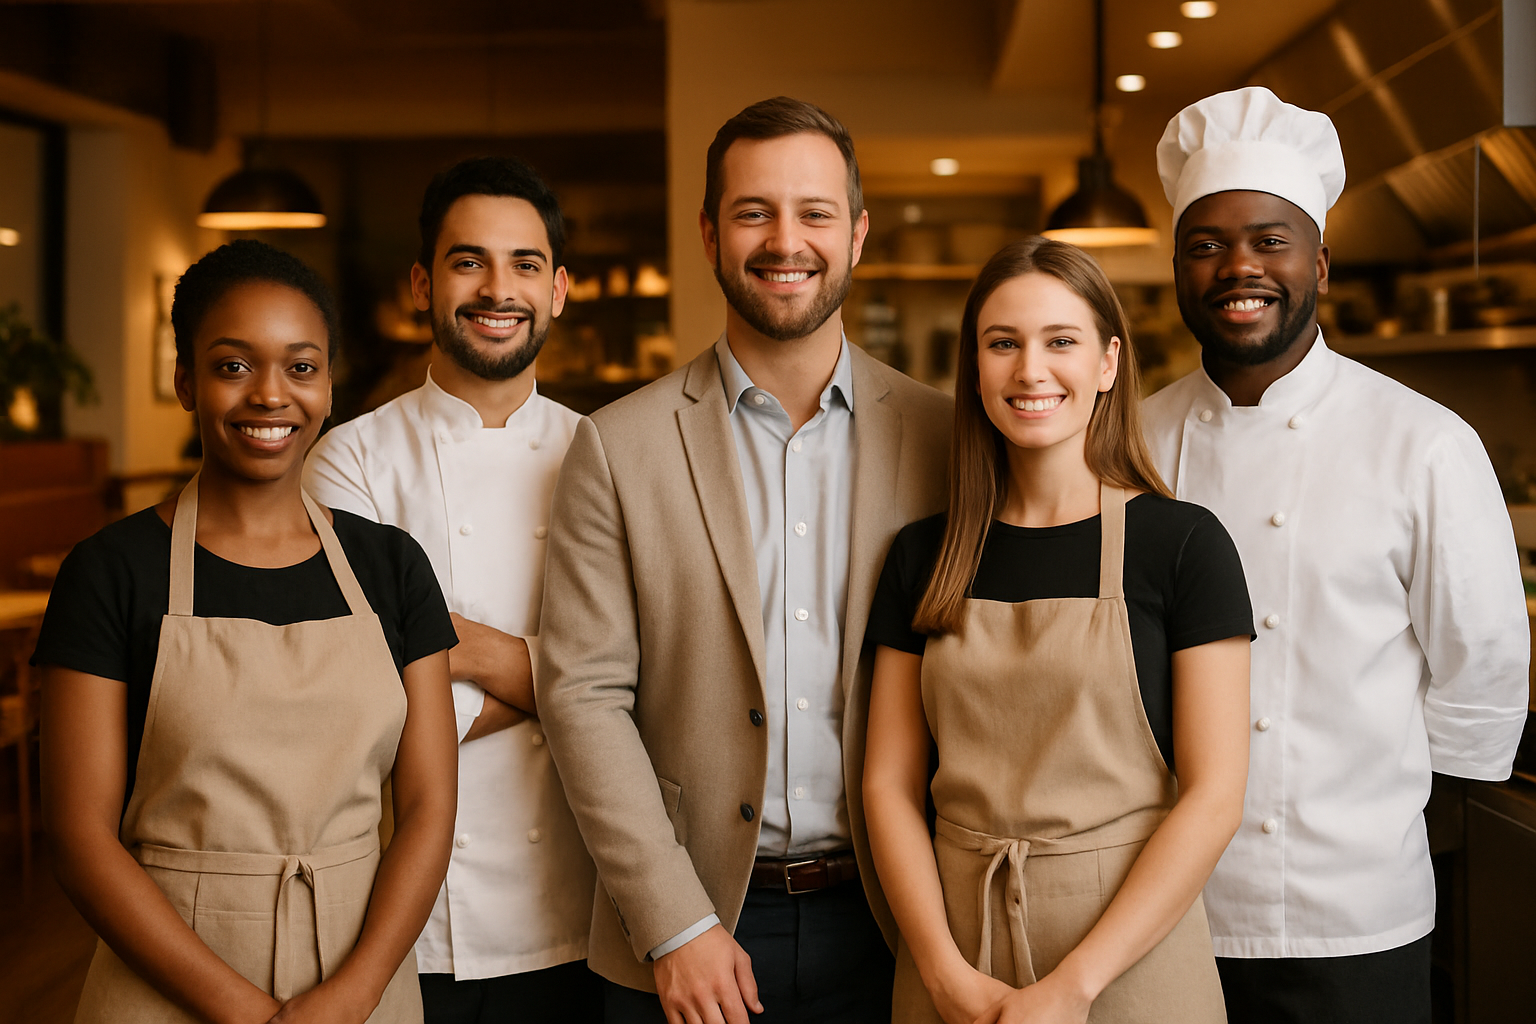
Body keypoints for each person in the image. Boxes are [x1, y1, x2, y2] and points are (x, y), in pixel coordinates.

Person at [535, 96, 951, 1024]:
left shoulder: (945, 438)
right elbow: (583, 694)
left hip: (902, 922)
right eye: (754, 211)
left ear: (858, 235)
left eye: (815, 213)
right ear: (709, 232)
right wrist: (674, 925)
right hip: (689, 930)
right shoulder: (616, 445)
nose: (785, 240)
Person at [1142, 86, 1530, 1024]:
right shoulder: (1129, 440)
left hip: (1359, 925)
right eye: (1207, 243)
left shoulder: (1424, 442)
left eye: (1270, 240)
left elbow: (1481, 685)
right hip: (1157, 917)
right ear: (1179, 267)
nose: (1240, 266)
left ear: (1320, 259)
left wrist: (1375, 837)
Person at [37, 239, 459, 1024]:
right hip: (163, 984)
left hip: (360, 981)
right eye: (234, 366)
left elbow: (430, 807)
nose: (272, 395)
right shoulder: (112, 570)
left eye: (301, 367)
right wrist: (250, 1015)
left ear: (329, 386)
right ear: (184, 381)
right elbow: (78, 838)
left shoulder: (392, 567)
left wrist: (355, 993)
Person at [863, 237, 1253, 1024]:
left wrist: (1073, 989)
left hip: (1131, 964)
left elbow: (1215, 797)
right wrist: (942, 973)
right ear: (975, 367)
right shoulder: (922, 555)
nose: (1030, 370)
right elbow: (888, 786)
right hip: (957, 953)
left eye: (1060, 342)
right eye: (1002, 343)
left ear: (1109, 362)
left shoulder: (1182, 546)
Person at [304, 156, 601, 1023]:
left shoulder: (607, 456)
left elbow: (647, 671)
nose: (496, 289)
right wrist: (569, 679)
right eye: (468, 261)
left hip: (584, 909)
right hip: (415, 924)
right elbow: (357, 691)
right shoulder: (349, 459)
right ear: (422, 284)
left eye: (526, 264)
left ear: (560, 291)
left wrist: (437, 650)